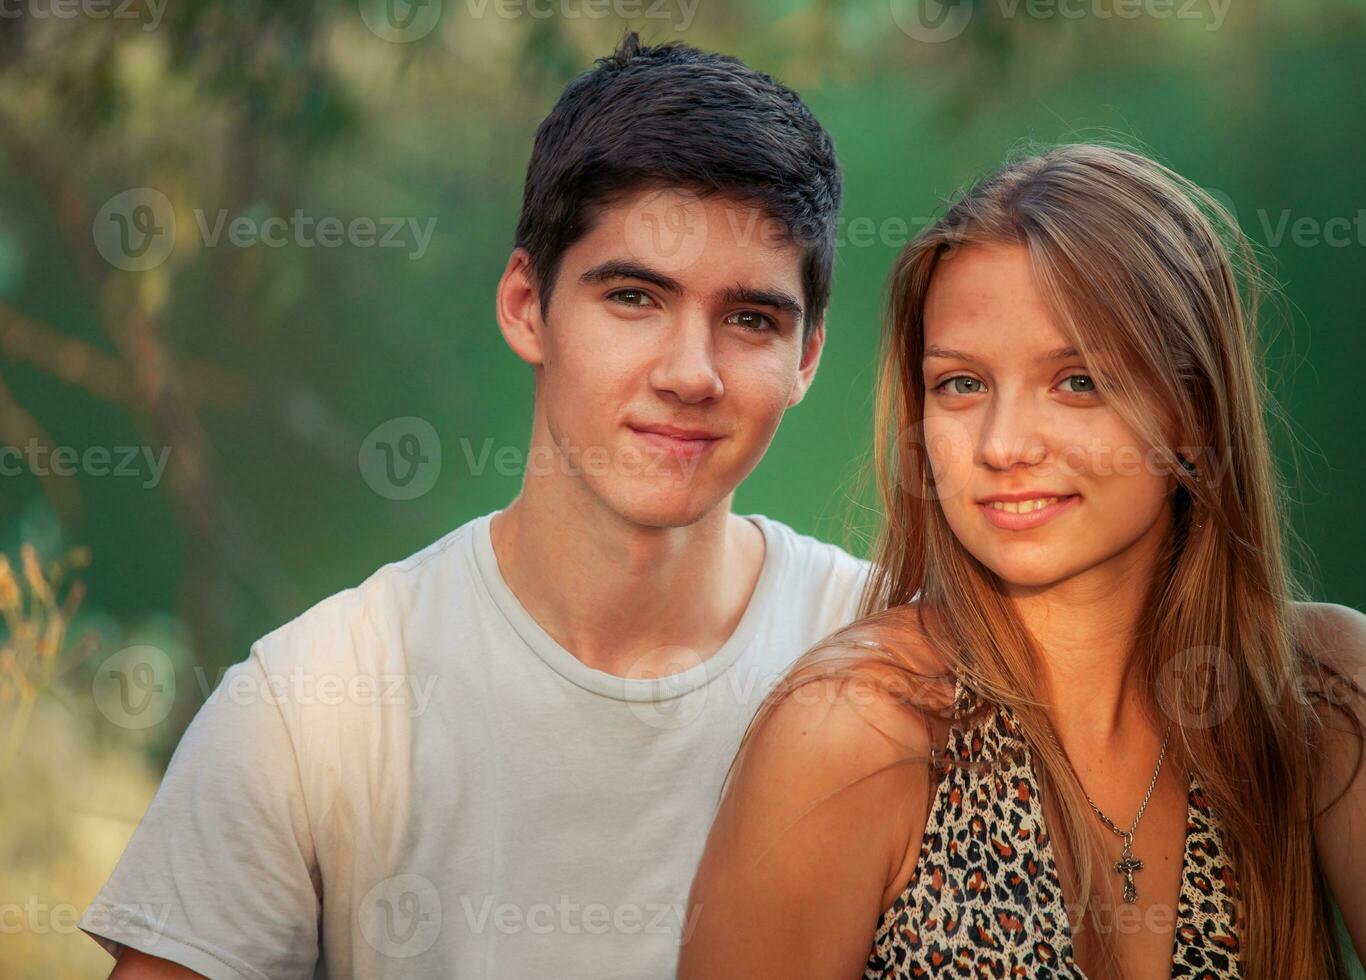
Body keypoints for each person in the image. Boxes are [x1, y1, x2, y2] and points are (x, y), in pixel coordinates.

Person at [83, 33, 871, 979]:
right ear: (525, 306)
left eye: (750, 320)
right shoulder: (314, 708)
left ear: (809, 357)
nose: (690, 373)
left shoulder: (892, 656)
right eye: (633, 297)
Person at [680, 143, 1366, 979]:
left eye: (1079, 381)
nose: (1003, 445)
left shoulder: (1321, 687)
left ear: (1194, 412)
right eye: (961, 385)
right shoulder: (854, 725)